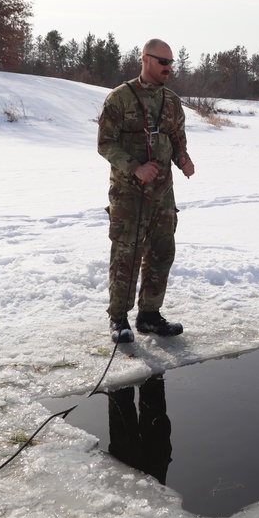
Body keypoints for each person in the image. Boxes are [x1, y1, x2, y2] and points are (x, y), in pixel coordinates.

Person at [98, 38, 195, 343]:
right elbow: (105, 144)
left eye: (171, 63)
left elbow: (177, 138)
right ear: (145, 59)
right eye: (163, 62)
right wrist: (134, 167)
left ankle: (150, 315)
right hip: (129, 193)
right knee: (127, 253)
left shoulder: (172, 101)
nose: (168, 68)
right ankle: (119, 318)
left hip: (163, 192)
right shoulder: (120, 98)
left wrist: (183, 159)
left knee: (162, 252)